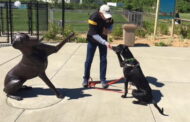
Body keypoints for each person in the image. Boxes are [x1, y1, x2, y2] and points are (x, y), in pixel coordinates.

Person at [82, 4, 114, 88]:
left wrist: (109, 30)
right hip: (92, 40)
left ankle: (103, 79)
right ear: (100, 13)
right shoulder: (93, 18)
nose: (106, 17)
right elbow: (94, 34)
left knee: (103, 60)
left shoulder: (109, 18)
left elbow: (111, 24)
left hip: (103, 39)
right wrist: (105, 43)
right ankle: (86, 78)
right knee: (89, 60)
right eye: (104, 15)